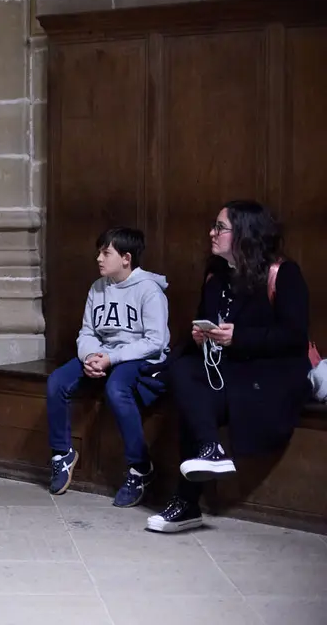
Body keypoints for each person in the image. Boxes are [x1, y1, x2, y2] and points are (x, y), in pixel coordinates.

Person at [147, 201, 312, 533]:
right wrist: (201, 336)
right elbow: (208, 322)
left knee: (200, 401)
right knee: (184, 374)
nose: (212, 233)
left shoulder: (283, 273)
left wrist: (240, 338)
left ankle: (188, 500)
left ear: (245, 234)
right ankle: (211, 449)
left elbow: (294, 337)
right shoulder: (215, 274)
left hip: (270, 371)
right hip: (226, 365)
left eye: (220, 228)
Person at [46, 228, 169, 507]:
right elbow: (87, 331)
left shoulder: (149, 290)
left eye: (106, 252)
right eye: (99, 251)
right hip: (102, 354)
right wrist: (90, 356)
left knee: (116, 389)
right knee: (56, 382)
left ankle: (140, 469)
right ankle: (62, 454)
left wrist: (111, 359)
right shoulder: (97, 287)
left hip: (138, 358)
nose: (98, 258)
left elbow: (154, 341)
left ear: (126, 258)